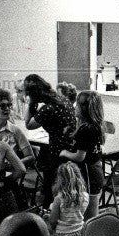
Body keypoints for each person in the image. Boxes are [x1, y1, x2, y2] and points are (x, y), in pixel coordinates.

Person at [23, 74, 76, 205]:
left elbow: (28, 125)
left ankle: (48, 204)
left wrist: (30, 104)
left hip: (58, 150)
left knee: (48, 173)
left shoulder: (48, 108)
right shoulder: (64, 100)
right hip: (72, 147)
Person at [59, 90, 106, 219]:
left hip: (88, 174)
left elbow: (80, 156)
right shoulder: (96, 126)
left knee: (90, 215)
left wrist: (65, 153)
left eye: (77, 105)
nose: (75, 107)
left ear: (84, 109)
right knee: (91, 210)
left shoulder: (85, 129)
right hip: (95, 170)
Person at [0, 87, 35, 170]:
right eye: (3, 106)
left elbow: (30, 157)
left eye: (9, 105)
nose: (7, 109)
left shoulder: (15, 130)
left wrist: (13, 164)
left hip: (10, 174)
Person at [48, 162, 89, 236]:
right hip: (80, 232)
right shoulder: (85, 195)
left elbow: (53, 221)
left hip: (62, 234)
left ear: (60, 179)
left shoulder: (59, 198)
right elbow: (78, 214)